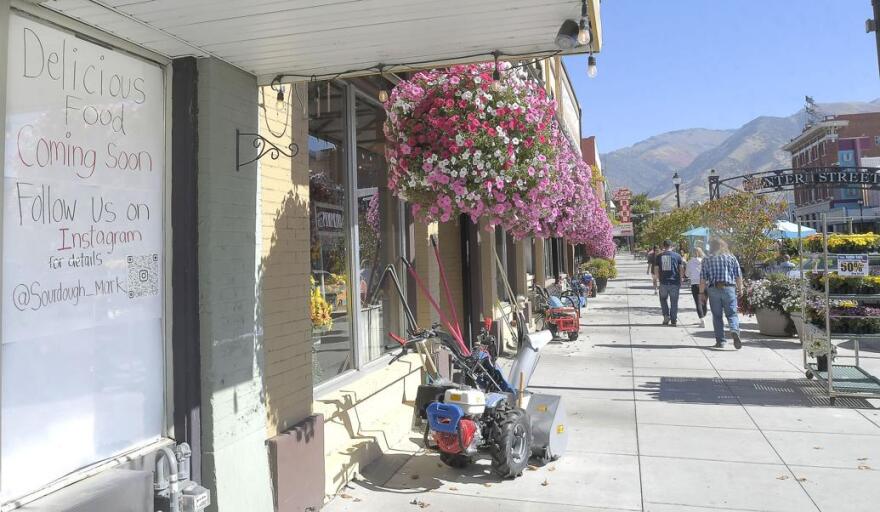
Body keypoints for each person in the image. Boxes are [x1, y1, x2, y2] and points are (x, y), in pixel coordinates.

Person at [700, 237, 743, 349]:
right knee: (732, 314)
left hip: (713, 289)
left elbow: (703, 278)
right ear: (723, 246)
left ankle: (720, 341)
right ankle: (734, 330)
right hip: (729, 288)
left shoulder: (706, 259)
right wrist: (740, 289)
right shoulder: (731, 258)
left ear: (711, 247)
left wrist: (701, 293)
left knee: (717, 316)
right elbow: (738, 275)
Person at [654, 239, 685, 326]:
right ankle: (674, 319)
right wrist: (681, 278)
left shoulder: (659, 256)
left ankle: (666, 316)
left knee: (663, 300)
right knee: (674, 301)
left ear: (663, 246)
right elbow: (681, 268)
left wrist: (657, 279)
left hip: (663, 282)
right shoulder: (677, 256)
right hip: (674, 282)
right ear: (671, 246)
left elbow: (656, 269)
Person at [686, 247, 708, 327]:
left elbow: (687, 274)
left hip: (695, 284)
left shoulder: (690, 262)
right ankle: (704, 317)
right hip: (705, 283)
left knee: (698, 302)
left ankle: (702, 320)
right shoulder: (706, 261)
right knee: (704, 302)